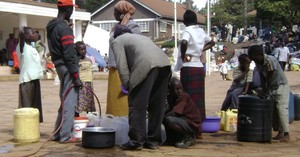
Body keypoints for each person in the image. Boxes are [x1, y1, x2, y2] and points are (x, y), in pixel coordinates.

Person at [111, 27, 171, 150]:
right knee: (156, 105)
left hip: (146, 65)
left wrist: (128, 85)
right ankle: (153, 140)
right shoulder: (142, 38)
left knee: (136, 105)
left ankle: (136, 140)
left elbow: (121, 65)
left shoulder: (117, 41)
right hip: (165, 65)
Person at [46, 0, 82, 143]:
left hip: (59, 66)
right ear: (68, 10)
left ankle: (57, 133)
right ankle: (66, 136)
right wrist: (76, 76)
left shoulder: (52, 27)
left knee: (64, 100)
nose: (72, 12)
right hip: (68, 68)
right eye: (71, 9)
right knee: (70, 102)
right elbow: (69, 54)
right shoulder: (64, 29)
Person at [174, 10, 215, 120]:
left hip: (188, 67)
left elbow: (183, 42)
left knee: (188, 96)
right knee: (199, 97)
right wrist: (201, 50)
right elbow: (212, 42)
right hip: (199, 67)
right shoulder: (200, 31)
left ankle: (189, 121)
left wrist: (183, 55)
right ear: (196, 20)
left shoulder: (187, 30)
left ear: (184, 22)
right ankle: (199, 121)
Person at [248, 45, 290, 142]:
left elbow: (270, 78)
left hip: (281, 85)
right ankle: (280, 132)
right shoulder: (259, 64)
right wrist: (263, 90)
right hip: (272, 87)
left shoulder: (270, 60)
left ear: (259, 54)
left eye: (254, 58)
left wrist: (266, 91)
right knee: (274, 111)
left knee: (281, 109)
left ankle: (287, 134)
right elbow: (263, 78)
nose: (254, 60)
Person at [106, 0, 141, 116]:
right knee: (113, 99)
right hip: (114, 67)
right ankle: (114, 121)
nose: (113, 14)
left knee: (123, 99)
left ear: (121, 13)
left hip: (123, 67)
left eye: (115, 11)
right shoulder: (116, 27)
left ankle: (124, 122)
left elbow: (135, 44)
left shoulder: (132, 26)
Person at [163, 77, 201, 148]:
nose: (179, 91)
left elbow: (175, 113)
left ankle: (188, 137)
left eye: (180, 88)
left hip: (193, 124)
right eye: (176, 89)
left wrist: (162, 119)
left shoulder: (183, 96)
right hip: (184, 121)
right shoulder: (171, 97)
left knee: (169, 119)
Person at [16, 26, 44, 122]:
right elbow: (22, 40)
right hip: (27, 81)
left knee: (35, 107)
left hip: (35, 80)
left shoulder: (32, 47)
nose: (36, 34)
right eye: (33, 33)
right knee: (26, 107)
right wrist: (21, 34)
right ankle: (25, 126)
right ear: (26, 36)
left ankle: (33, 126)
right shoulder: (22, 46)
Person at [74, 41, 95, 117]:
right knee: (79, 102)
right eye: (80, 49)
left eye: (84, 49)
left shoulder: (89, 60)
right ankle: (76, 118)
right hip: (81, 84)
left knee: (89, 102)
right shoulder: (76, 61)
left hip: (89, 83)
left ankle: (90, 118)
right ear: (76, 50)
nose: (83, 51)